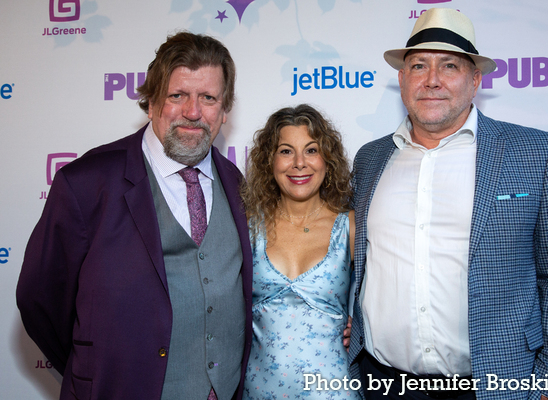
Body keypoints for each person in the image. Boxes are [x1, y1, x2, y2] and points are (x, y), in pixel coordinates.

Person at [348, 8, 548, 400]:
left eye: (449, 66)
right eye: (419, 66)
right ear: (402, 78)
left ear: (475, 80)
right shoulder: (370, 159)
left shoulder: (535, 153)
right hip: (382, 385)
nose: (432, 81)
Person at [16, 32, 253, 400]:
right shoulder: (86, 182)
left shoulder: (237, 182)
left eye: (208, 98)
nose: (193, 111)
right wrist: (93, 368)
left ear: (224, 110)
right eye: (178, 96)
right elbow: (39, 300)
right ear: (151, 103)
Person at [241, 104, 360, 399]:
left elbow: (385, 300)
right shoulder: (246, 227)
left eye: (311, 150)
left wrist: (361, 326)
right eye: (285, 151)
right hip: (258, 392)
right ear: (269, 160)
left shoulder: (351, 227)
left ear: (327, 159)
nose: (298, 163)